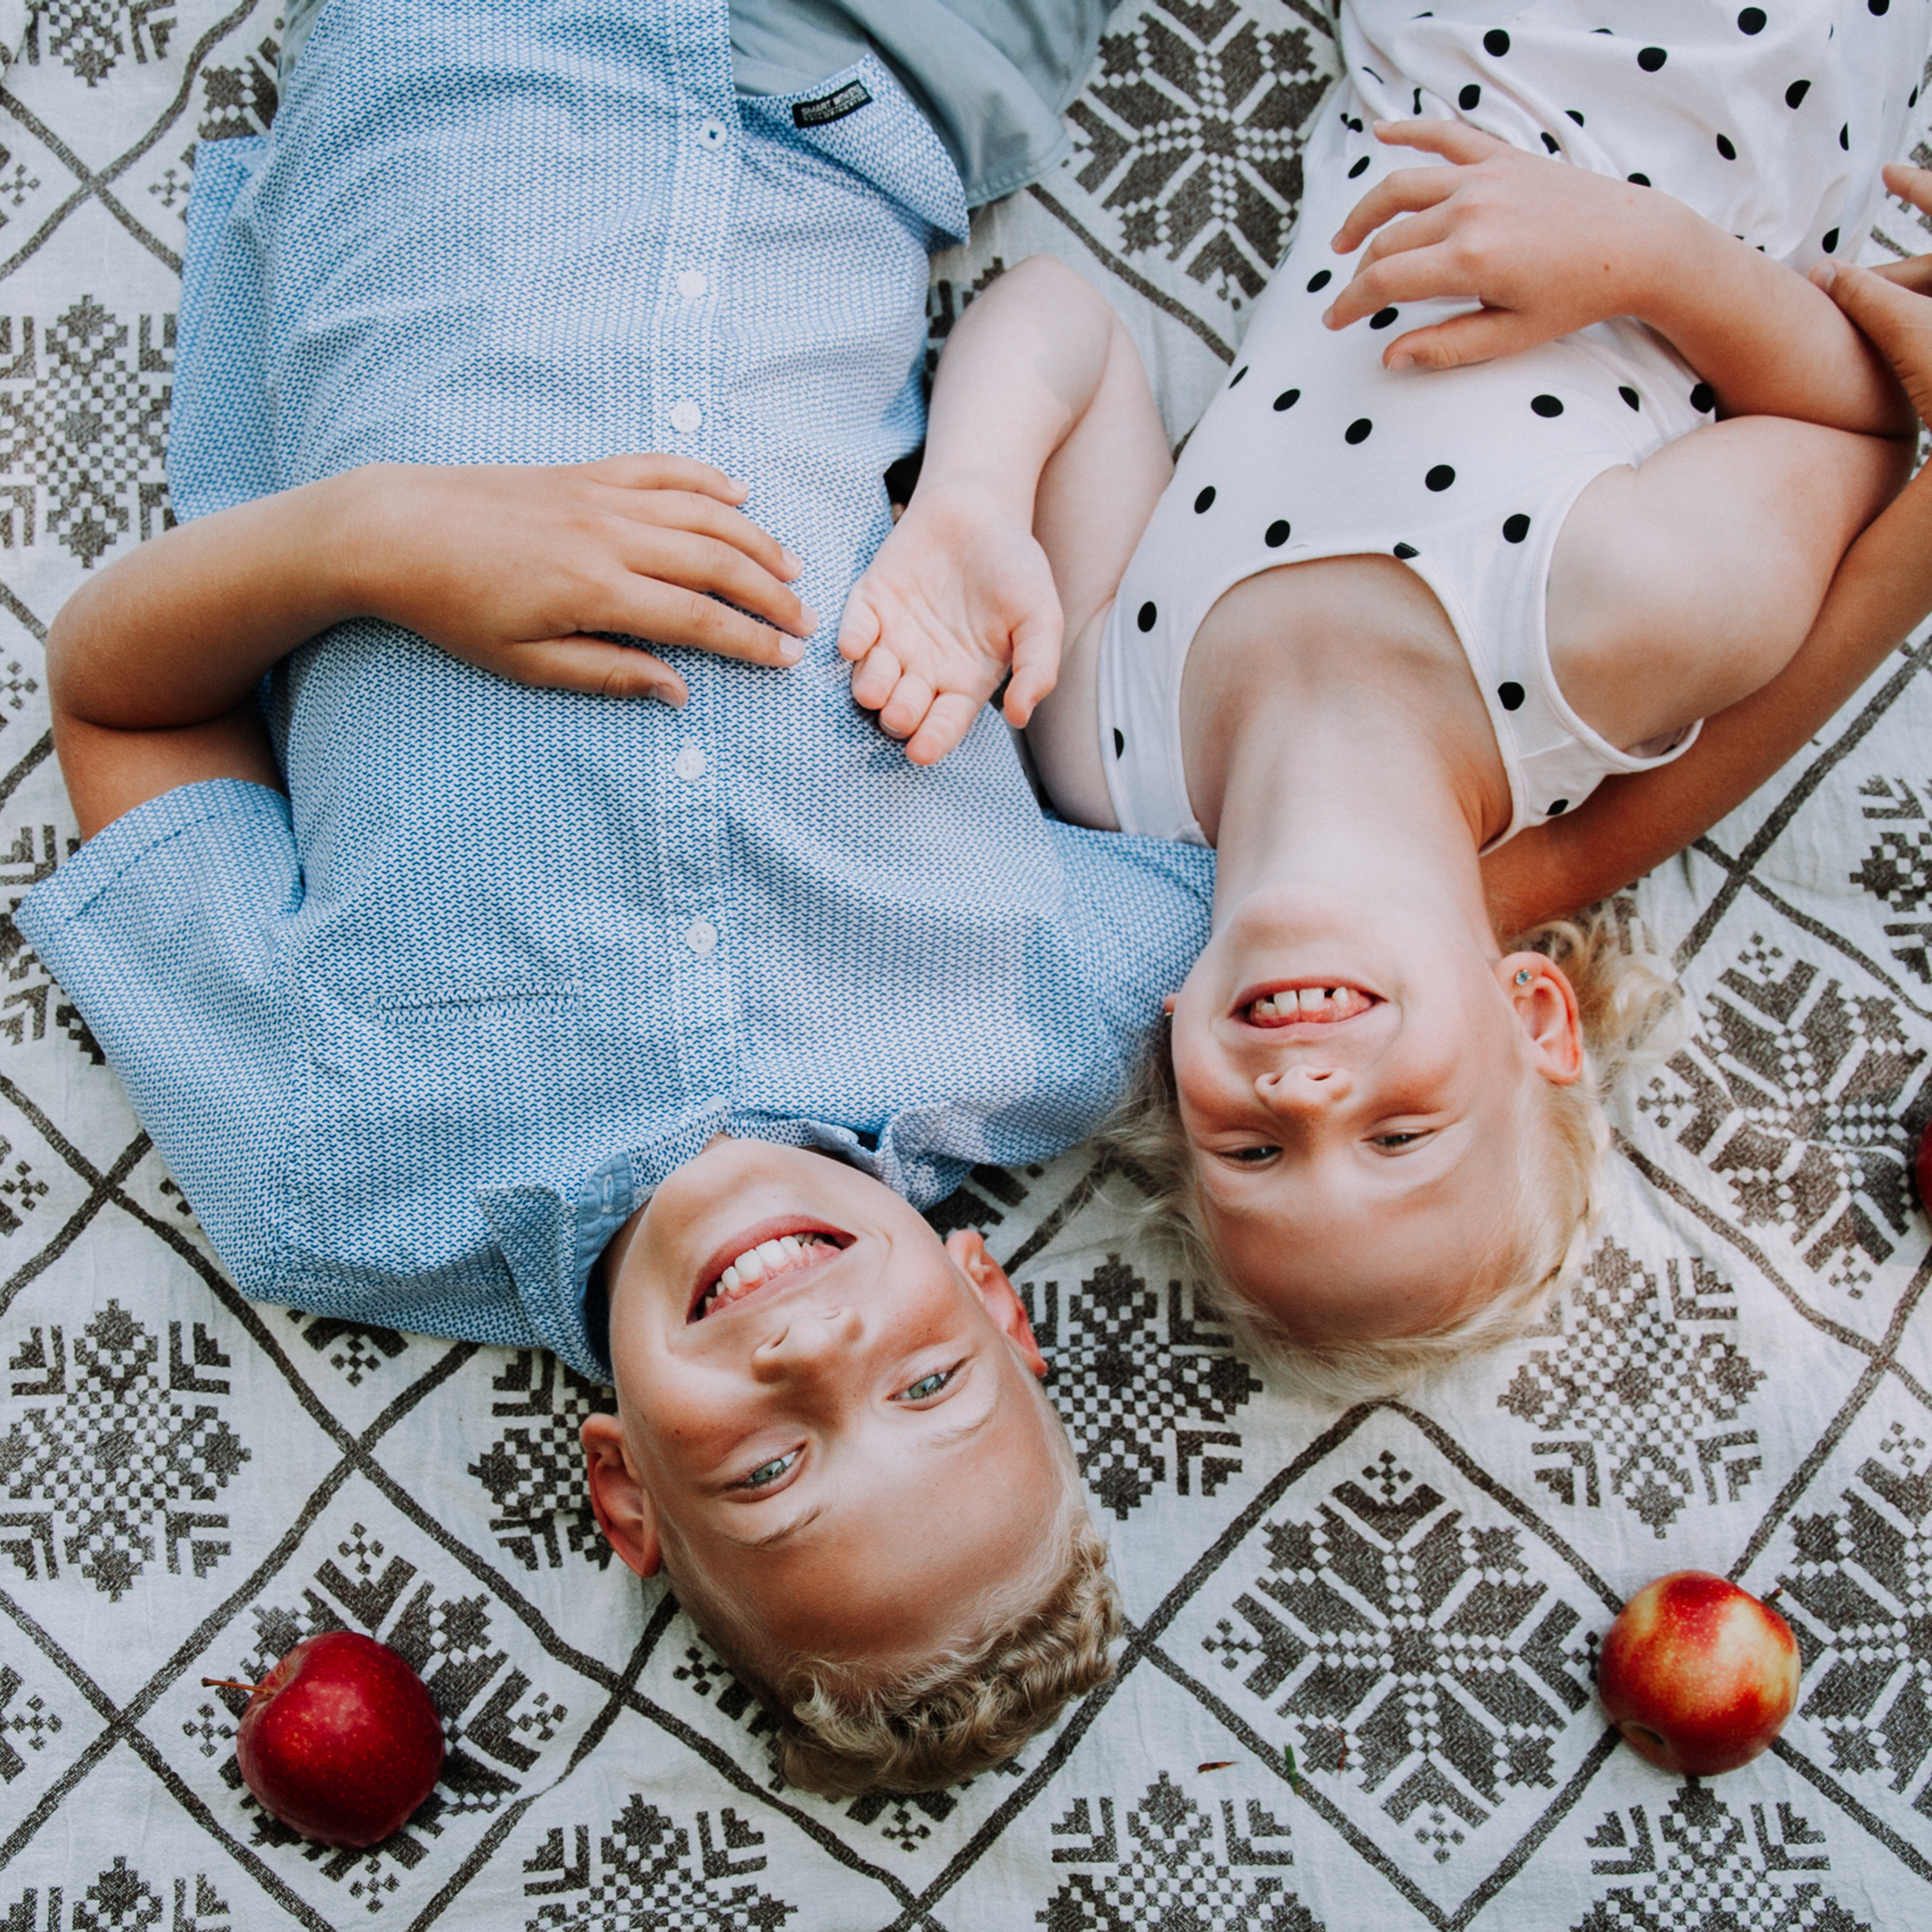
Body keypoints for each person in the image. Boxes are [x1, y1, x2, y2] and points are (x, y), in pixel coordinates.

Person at [18, 0, 1182, 1794]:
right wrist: (972, 501)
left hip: (440, 76)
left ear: (624, 1482)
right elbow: (1085, 358)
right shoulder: (1070, 1017)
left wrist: (381, 541)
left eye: (768, 1472)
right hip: (865, 74)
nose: (813, 1354)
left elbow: (109, 689)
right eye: (927, 1389)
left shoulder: (331, 1163)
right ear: (994, 1305)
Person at [837, 0, 1932, 1397]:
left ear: (1177, 1041)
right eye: (1401, 1138)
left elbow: (1061, 322)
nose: (1306, 1100)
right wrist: (1639, 257)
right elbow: (1858, 421)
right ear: (1536, 1021)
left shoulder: (1110, 753)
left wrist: (972, 500)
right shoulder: (1614, 631)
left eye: (1252, 1152)